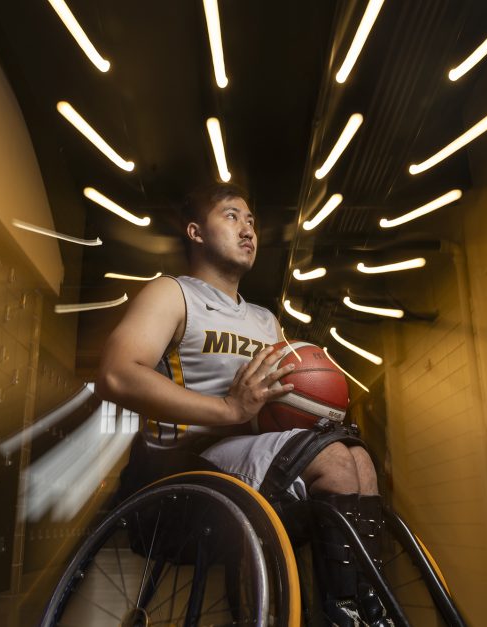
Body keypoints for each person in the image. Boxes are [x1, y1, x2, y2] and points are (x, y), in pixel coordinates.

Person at [96, 183, 392, 626]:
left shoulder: (265, 319)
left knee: (357, 459)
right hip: (185, 468)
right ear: (196, 232)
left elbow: (279, 405)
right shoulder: (172, 293)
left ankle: (369, 609)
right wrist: (229, 411)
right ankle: (343, 616)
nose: (248, 229)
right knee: (332, 459)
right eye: (232, 216)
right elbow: (116, 373)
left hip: (252, 460)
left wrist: (314, 410)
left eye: (251, 221)